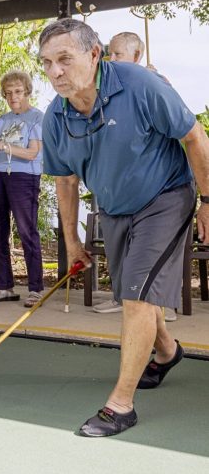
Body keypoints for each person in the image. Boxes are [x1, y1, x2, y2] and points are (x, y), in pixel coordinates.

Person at [40, 18, 209, 437]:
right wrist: (72, 239)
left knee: (135, 294)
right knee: (136, 292)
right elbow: (65, 180)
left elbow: (194, 136)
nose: (55, 72)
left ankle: (120, 406)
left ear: (94, 53)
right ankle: (167, 352)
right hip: (115, 208)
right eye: (47, 63)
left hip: (166, 197)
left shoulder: (140, 85)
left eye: (64, 59)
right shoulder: (55, 117)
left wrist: (208, 202)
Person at [94, 31, 176, 320]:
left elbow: (180, 131)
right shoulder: (106, 87)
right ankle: (121, 298)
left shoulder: (157, 84)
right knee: (119, 252)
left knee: (150, 253)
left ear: (137, 57)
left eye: (118, 54)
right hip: (118, 186)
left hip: (155, 187)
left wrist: (158, 82)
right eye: (109, 54)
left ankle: (161, 306)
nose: (111, 60)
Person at [0, 70, 44, 307]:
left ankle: (36, 289)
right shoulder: (2, 120)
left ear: (27, 91)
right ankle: (5, 287)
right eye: (8, 93)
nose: (13, 96)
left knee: (27, 233)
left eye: (17, 91)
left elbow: (32, 153)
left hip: (24, 178)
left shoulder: (37, 118)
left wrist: (2, 145)